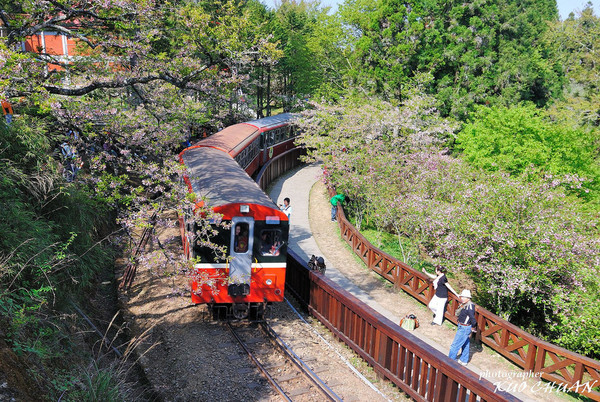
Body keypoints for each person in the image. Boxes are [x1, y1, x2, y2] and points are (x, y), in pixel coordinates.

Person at [449, 289, 477, 366]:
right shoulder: (465, 304)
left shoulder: (470, 306)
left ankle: (450, 361)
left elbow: (473, 319)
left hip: (464, 328)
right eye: (462, 297)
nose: (462, 298)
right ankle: (464, 360)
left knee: (455, 345)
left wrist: (473, 327)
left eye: (464, 297)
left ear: (468, 298)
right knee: (465, 343)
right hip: (462, 326)